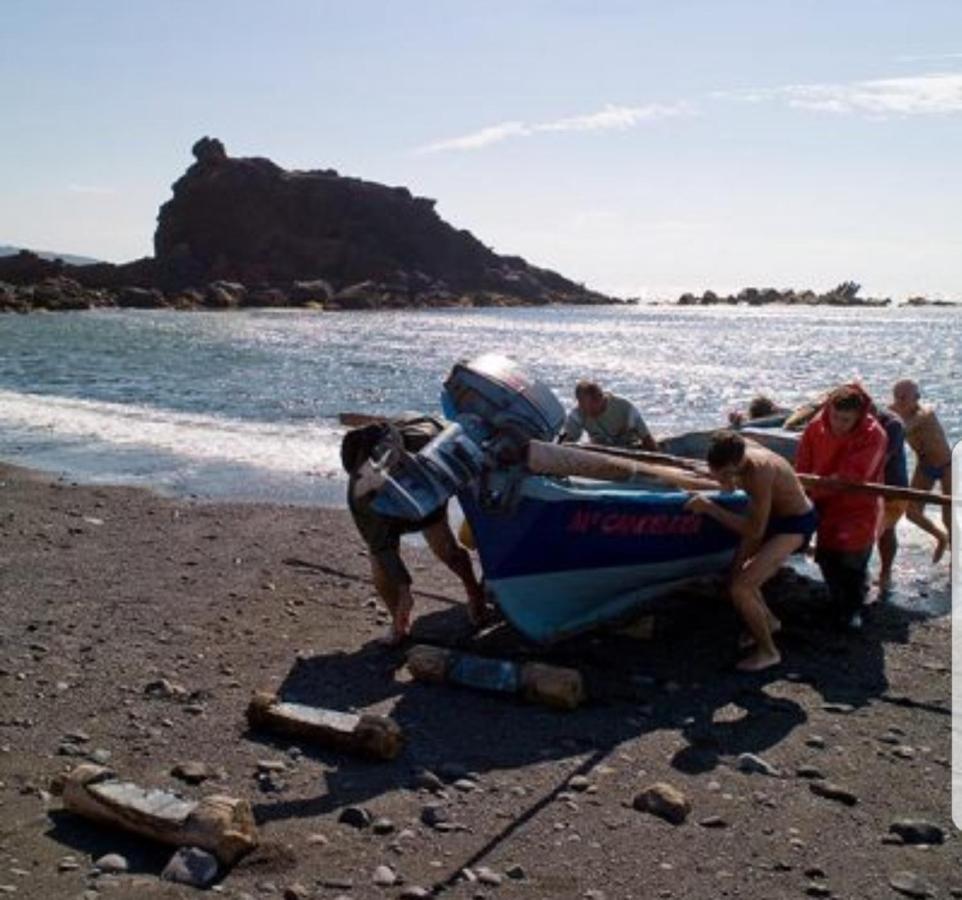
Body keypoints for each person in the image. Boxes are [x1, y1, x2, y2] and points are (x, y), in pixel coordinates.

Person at [341, 414, 488, 645]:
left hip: (426, 482)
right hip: (383, 511)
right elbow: (383, 548)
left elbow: (461, 450)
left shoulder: (423, 439)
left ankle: (474, 593)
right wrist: (404, 589)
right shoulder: (361, 497)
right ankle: (399, 621)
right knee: (381, 565)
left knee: (446, 548)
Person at [685, 430, 817, 672]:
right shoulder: (739, 449)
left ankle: (768, 652)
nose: (722, 479)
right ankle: (769, 621)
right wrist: (723, 479)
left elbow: (754, 531)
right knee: (735, 576)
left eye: (726, 474)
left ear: (737, 464)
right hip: (770, 518)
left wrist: (711, 508)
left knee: (741, 588)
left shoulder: (759, 472)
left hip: (796, 523)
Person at [795, 385, 887, 631]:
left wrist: (822, 484)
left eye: (845, 419)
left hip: (858, 505)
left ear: (859, 416)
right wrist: (803, 487)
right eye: (835, 416)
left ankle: (853, 609)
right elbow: (804, 460)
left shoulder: (874, 434)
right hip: (823, 501)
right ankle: (837, 601)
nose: (838, 423)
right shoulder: (816, 426)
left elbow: (855, 475)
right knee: (827, 556)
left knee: (853, 559)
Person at [890, 379, 952, 563]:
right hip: (924, 466)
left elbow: (903, 428)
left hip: (948, 466)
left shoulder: (925, 414)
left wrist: (891, 419)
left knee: (948, 517)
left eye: (905, 398)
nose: (900, 401)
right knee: (911, 512)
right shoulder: (896, 411)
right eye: (897, 397)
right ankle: (941, 537)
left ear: (916, 398)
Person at [872, 404, 909, 594]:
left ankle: (885, 574)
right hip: (866, 484)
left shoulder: (893, 424)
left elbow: (881, 459)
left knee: (885, 530)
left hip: (893, 486)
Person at [560, 380, 656, 450]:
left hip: (629, 449)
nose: (588, 411)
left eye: (592, 405)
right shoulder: (578, 414)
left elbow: (647, 439)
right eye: (583, 406)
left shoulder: (625, 409)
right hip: (601, 452)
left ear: (600, 398)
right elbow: (567, 442)